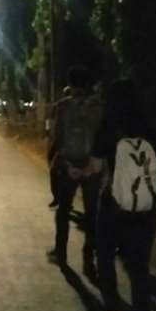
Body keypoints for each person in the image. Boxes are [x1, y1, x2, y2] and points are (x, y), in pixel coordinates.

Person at [90, 80, 156, 311]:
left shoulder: (108, 125)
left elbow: (96, 165)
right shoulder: (151, 128)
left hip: (114, 206)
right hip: (146, 209)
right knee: (139, 269)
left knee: (105, 257)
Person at [47, 66, 102, 276]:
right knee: (91, 215)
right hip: (92, 168)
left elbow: (57, 137)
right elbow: (103, 136)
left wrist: (63, 163)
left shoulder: (62, 107)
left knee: (63, 211)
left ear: (71, 83)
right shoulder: (98, 107)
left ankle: (61, 253)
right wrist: (94, 165)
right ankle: (89, 261)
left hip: (69, 166)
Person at [47, 86, 71, 208]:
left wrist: (49, 134)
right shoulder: (85, 105)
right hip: (80, 148)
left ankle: (58, 198)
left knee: (53, 171)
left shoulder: (59, 105)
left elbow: (52, 123)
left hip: (62, 145)